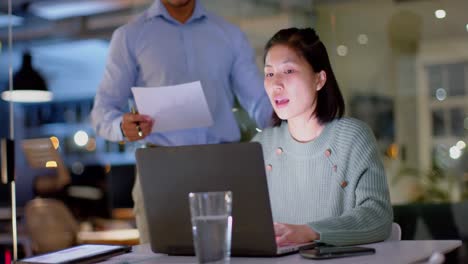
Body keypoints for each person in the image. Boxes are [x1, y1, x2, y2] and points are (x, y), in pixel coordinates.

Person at [90, 0, 272, 243]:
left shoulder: (229, 35)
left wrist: (293, 122)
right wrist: (122, 127)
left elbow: (260, 102)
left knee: (230, 255)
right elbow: (102, 111)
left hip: (222, 167)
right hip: (160, 171)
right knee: (161, 258)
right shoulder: (129, 36)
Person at [252, 27, 393, 246]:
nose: (276, 83)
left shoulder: (353, 137)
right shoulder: (260, 145)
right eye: (269, 73)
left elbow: (378, 216)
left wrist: (311, 232)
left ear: (319, 79)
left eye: (288, 71)